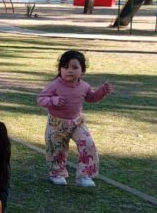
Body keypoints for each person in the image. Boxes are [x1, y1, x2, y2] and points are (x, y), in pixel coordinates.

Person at [37, 50, 113, 187]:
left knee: (88, 144)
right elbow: (41, 99)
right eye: (65, 67)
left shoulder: (84, 86)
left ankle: (85, 176)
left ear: (82, 71)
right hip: (56, 124)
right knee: (57, 149)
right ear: (60, 69)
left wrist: (102, 91)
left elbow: (91, 98)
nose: (69, 71)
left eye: (74, 67)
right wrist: (53, 100)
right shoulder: (54, 85)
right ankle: (57, 174)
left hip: (77, 122)